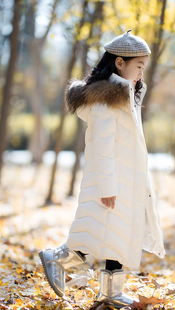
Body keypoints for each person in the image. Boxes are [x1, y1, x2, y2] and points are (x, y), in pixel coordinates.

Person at [39, 29, 166, 309]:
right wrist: (108, 187)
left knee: (117, 236)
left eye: (143, 66)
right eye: (139, 66)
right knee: (96, 231)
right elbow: (102, 147)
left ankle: (111, 292)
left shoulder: (126, 93)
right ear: (119, 62)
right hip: (111, 181)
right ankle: (57, 257)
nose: (141, 72)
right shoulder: (106, 100)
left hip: (126, 180)